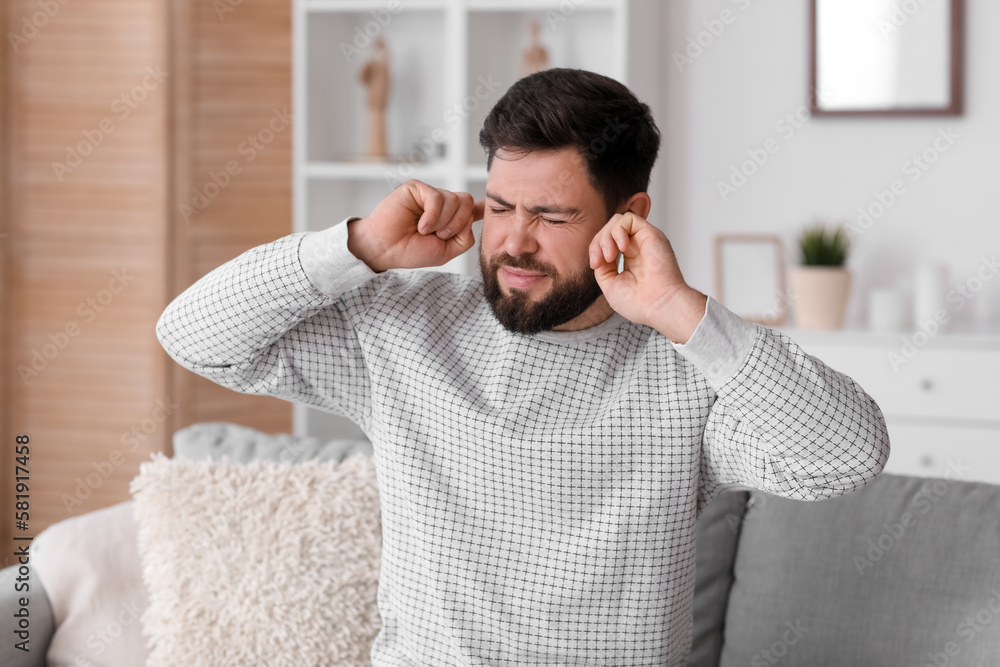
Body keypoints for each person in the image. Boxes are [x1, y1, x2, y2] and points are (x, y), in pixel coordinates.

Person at [157, 68, 889, 665]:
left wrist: (679, 308)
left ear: (628, 214)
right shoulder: (405, 326)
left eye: (552, 216)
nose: (514, 242)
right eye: (501, 206)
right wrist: (357, 249)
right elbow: (194, 334)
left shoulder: (683, 372)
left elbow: (847, 456)